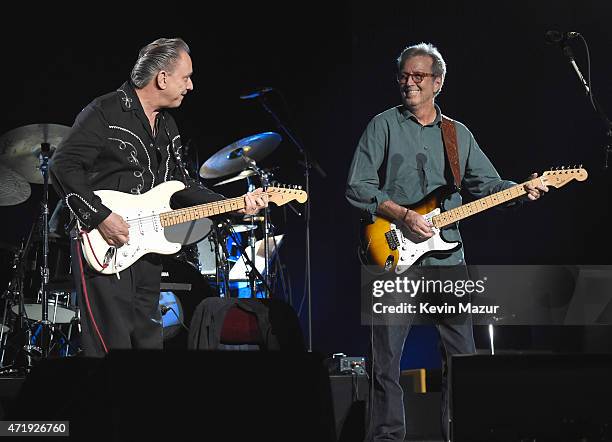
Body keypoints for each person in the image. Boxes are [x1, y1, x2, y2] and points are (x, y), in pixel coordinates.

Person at [346, 42, 547, 441]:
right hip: (392, 254)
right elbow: (357, 187)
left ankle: (462, 433)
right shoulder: (382, 125)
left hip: (447, 256)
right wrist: (403, 215)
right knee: (385, 362)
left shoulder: (459, 135)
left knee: (461, 359)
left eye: (418, 76)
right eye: (403, 75)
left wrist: (520, 190)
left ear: (437, 83)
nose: (408, 82)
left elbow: (487, 185)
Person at [50, 38, 268, 358]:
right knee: (111, 351)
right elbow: (62, 166)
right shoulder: (105, 110)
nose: (191, 86)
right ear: (162, 78)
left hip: (146, 250)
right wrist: (100, 217)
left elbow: (180, 185)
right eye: (186, 77)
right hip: (102, 244)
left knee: (148, 347)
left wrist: (234, 206)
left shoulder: (168, 125)